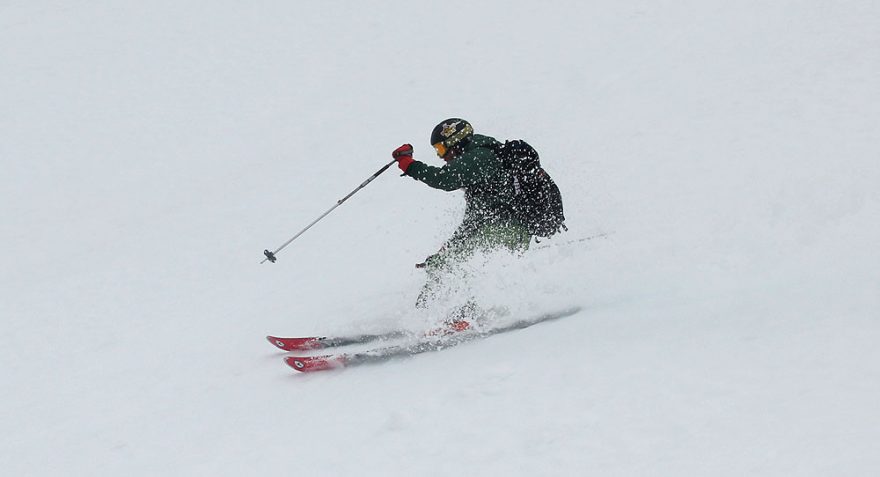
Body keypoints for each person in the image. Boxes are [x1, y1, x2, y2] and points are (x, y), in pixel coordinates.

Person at [392, 118, 532, 311]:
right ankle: (423, 315)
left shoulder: (481, 157)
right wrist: (449, 249)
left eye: (441, 149)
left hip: (509, 229)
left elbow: (444, 179)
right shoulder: (477, 162)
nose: (441, 157)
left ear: (454, 142)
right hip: (497, 229)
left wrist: (410, 165)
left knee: (464, 264)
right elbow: (475, 220)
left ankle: (468, 314)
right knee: (443, 263)